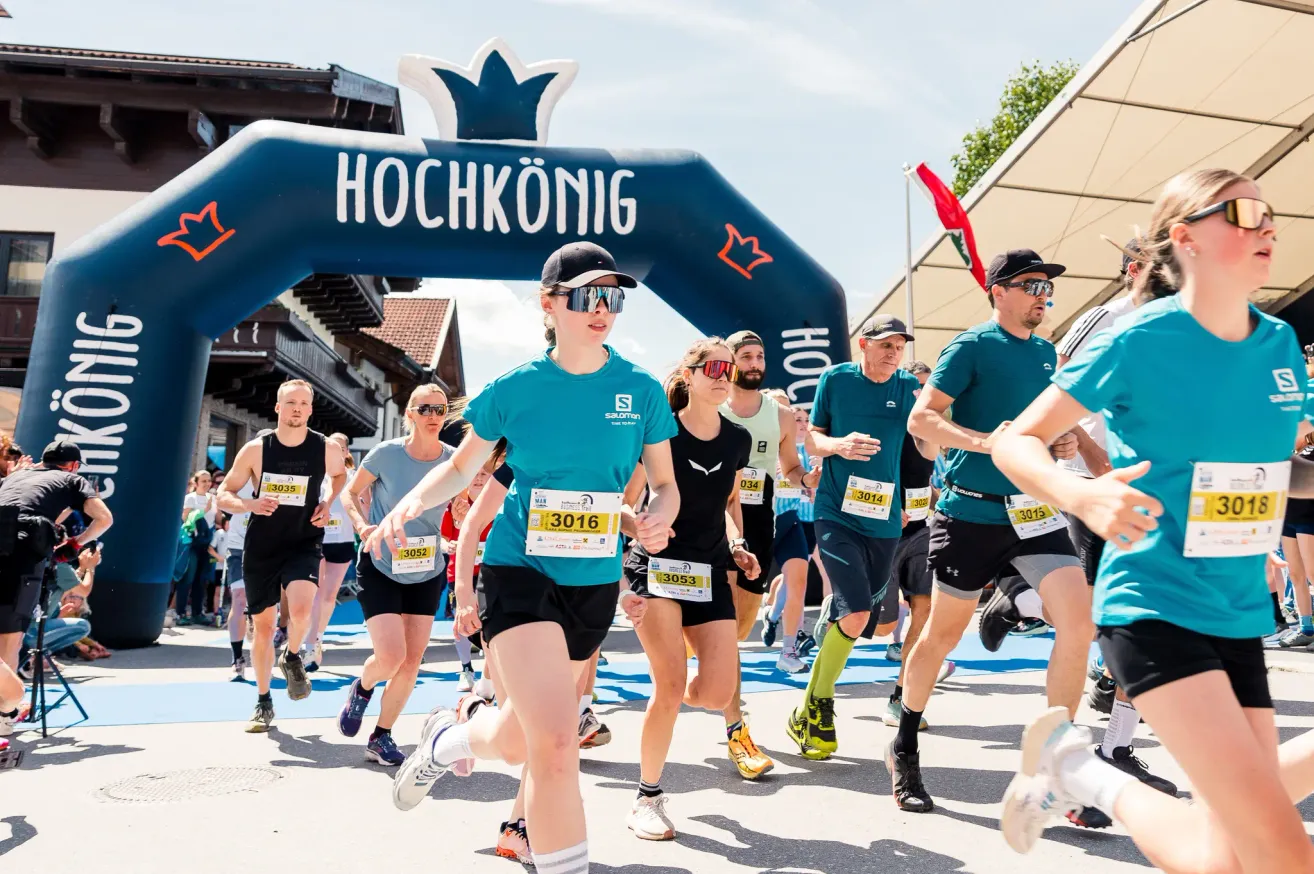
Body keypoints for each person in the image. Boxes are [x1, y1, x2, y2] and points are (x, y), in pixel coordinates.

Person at [993, 169, 1314, 872]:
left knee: (1220, 857)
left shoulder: (1282, 346)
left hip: (1239, 613)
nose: (1267, 226)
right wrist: (1080, 496)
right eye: (1244, 211)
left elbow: (1278, 472)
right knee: (1283, 853)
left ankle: (1080, 773)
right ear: (1185, 237)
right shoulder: (1140, 340)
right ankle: (1079, 770)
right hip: (1156, 603)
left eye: (1268, 212)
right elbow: (1012, 440)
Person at [371, 241, 679, 874]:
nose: (603, 309)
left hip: (592, 578)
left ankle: (449, 735)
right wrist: (408, 505)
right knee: (559, 745)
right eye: (589, 295)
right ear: (550, 303)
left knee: (516, 741)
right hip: (520, 569)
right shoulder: (516, 388)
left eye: (613, 297)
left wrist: (658, 518)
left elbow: (665, 483)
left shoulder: (641, 390)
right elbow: (461, 467)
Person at [899, 249, 1096, 820]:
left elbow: (1048, 427)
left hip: (1034, 512)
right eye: (1032, 286)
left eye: (1047, 288)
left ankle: (1055, 769)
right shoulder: (970, 347)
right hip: (971, 514)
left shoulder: (1045, 354)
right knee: (940, 636)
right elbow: (923, 419)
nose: (1043, 296)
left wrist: (1057, 443)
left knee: (1079, 623)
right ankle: (905, 745)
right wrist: (989, 442)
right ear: (998, 291)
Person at [1041, 238, 1177, 795]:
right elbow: (1056, 385)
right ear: (1134, 271)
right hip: (1091, 488)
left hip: (1156, 493)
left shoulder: (1181, 329)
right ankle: (1020, 599)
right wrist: (1091, 460)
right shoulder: (1105, 318)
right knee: (1094, 613)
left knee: (1152, 623)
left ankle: (1116, 745)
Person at [620, 338, 759, 838]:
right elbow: (624, 503)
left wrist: (738, 542)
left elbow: (724, 500)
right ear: (691, 373)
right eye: (714, 367)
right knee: (671, 688)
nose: (724, 375)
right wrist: (638, 534)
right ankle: (647, 797)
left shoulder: (737, 440)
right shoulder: (659, 433)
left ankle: (678, 712)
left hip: (709, 570)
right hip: (655, 570)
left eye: (729, 368)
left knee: (720, 691)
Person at [784, 315, 935, 761]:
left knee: (864, 621)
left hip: (886, 520)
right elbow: (813, 440)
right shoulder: (836, 378)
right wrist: (839, 446)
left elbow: (918, 452)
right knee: (855, 615)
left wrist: (916, 496)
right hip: (835, 513)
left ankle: (805, 709)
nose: (893, 352)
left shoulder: (908, 388)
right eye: (885, 344)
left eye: (900, 345)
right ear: (863, 345)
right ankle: (822, 706)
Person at [217, 380, 348, 732]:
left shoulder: (324, 448)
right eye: (290, 402)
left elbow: (341, 474)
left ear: (310, 409)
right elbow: (223, 494)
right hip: (262, 547)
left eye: (303, 404)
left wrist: (328, 501)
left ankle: (291, 657)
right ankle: (263, 702)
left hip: (303, 541)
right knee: (262, 627)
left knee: (303, 608)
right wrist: (249, 504)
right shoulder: (256, 450)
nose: (297, 409)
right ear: (278, 408)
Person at [336, 385, 455, 766]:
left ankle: (381, 735)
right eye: (425, 409)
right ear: (410, 414)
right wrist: (361, 527)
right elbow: (349, 494)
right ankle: (364, 686)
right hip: (382, 563)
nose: (433, 414)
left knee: (412, 660)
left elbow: (467, 501)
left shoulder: (454, 461)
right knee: (390, 655)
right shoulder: (386, 454)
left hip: (427, 567)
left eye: (440, 408)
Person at [718, 330, 817, 778]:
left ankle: (711, 670)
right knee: (720, 631)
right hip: (709, 517)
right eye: (746, 356)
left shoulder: (778, 416)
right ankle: (737, 731)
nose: (755, 362)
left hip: (758, 520)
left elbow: (791, 467)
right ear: (731, 362)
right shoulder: (711, 403)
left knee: (737, 629)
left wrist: (809, 480)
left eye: (760, 355)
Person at [0, 440, 112, 735]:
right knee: (10, 640)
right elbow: (104, 518)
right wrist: (75, 544)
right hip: (22, 557)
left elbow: (41, 507)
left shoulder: (17, 476)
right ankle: (4, 716)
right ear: (73, 465)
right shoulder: (72, 479)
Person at [878, 360, 947, 728]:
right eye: (916, 387)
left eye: (928, 388)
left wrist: (941, 501)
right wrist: (889, 508)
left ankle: (900, 697)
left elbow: (928, 465)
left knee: (924, 612)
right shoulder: (883, 425)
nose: (923, 394)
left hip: (921, 532)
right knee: (880, 625)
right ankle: (837, 607)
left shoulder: (929, 429)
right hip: (882, 532)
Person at [440, 443, 503, 692]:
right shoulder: (457, 505)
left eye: (484, 475)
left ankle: (490, 669)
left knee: (490, 624)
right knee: (462, 622)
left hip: (492, 572)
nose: (478, 479)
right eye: (475, 475)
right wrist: (449, 546)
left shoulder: (499, 504)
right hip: (462, 572)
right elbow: (444, 536)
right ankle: (465, 668)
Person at [760, 395, 817, 673]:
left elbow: (807, 484)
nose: (782, 413)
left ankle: (788, 651)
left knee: (798, 582)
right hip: (756, 524)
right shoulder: (751, 443)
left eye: (786, 408)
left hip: (790, 521)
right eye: (777, 408)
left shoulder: (799, 449)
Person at [304, 433, 357, 672]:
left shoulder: (354, 477)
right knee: (317, 593)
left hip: (343, 540)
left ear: (346, 452)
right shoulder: (316, 475)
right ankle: (310, 643)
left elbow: (363, 503)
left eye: (341, 448)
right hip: (318, 539)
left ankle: (318, 635)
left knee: (328, 597)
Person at [224, 483, 253, 681]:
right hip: (238, 548)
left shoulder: (279, 468)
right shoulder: (239, 476)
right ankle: (237, 658)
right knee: (239, 598)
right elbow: (222, 501)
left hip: (270, 548)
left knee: (264, 607)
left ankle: (262, 653)